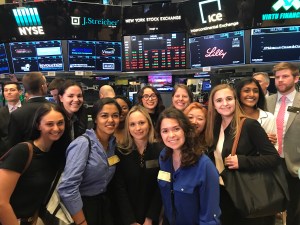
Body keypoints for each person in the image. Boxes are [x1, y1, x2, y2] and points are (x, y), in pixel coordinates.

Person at [205, 84, 280, 225]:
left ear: (235, 100)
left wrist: (243, 161)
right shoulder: (214, 126)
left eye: (229, 99)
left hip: (245, 193)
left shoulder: (249, 125)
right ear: (213, 105)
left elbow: (273, 158)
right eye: (219, 100)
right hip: (223, 193)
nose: (225, 104)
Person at [0, 103, 69, 225]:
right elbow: (1, 202)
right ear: (38, 125)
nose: (56, 128)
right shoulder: (23, 151)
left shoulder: (55, 154)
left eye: (60, 123)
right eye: (49, 124)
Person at [58, 98, 121, 225]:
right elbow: (68, 188)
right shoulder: (82, 144)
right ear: (95, 119)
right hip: (82, 208)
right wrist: (81, 222)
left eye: (115, 116)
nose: (111, 120)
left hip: (103, 205)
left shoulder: (112, 144)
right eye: (104, 116)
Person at [156, 107, 221, 225]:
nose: (171, 135)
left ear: (185, 130)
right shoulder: (164, 157)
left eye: (176, 129)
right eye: (165, 131)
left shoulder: (204, 166)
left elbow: (209, 216)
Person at [113, 105, 162, 225]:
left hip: (152, 215)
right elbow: (119, 188)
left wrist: (150, 218)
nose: (138, 128)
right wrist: (130, 220)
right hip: (126, 216)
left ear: (149, 124)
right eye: (132, 124)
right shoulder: (120, 152)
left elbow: (160, 187)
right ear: (128, 128)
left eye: (141, 123)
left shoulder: (160, 151)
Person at [266, 62, 300, 225]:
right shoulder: (267, 102)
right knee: (269, 205)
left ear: (296, 78)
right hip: (270, 163)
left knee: (294, 209)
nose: (280, 80)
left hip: (295, 165)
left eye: (285, 76)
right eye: (277, 77)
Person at [7, 72, 49, 149]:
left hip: (25, 158)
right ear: (42, 87)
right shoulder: (55, 109)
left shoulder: (16, 114)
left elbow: (13, 144)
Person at [235, 77, 277, 147]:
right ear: (238, 93)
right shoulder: (231, 117)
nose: (252, 94)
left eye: (255, 91)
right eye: (246, 91)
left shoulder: (269, 118)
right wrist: (259, 138)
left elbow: (273, 149)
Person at [0, 81, 23, 156]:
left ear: (20, 92)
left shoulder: (28, 109)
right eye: (6, 90)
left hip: (25, 152)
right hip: (5, 154)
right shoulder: (1, 112)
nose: (8, 92)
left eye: (12, 90)